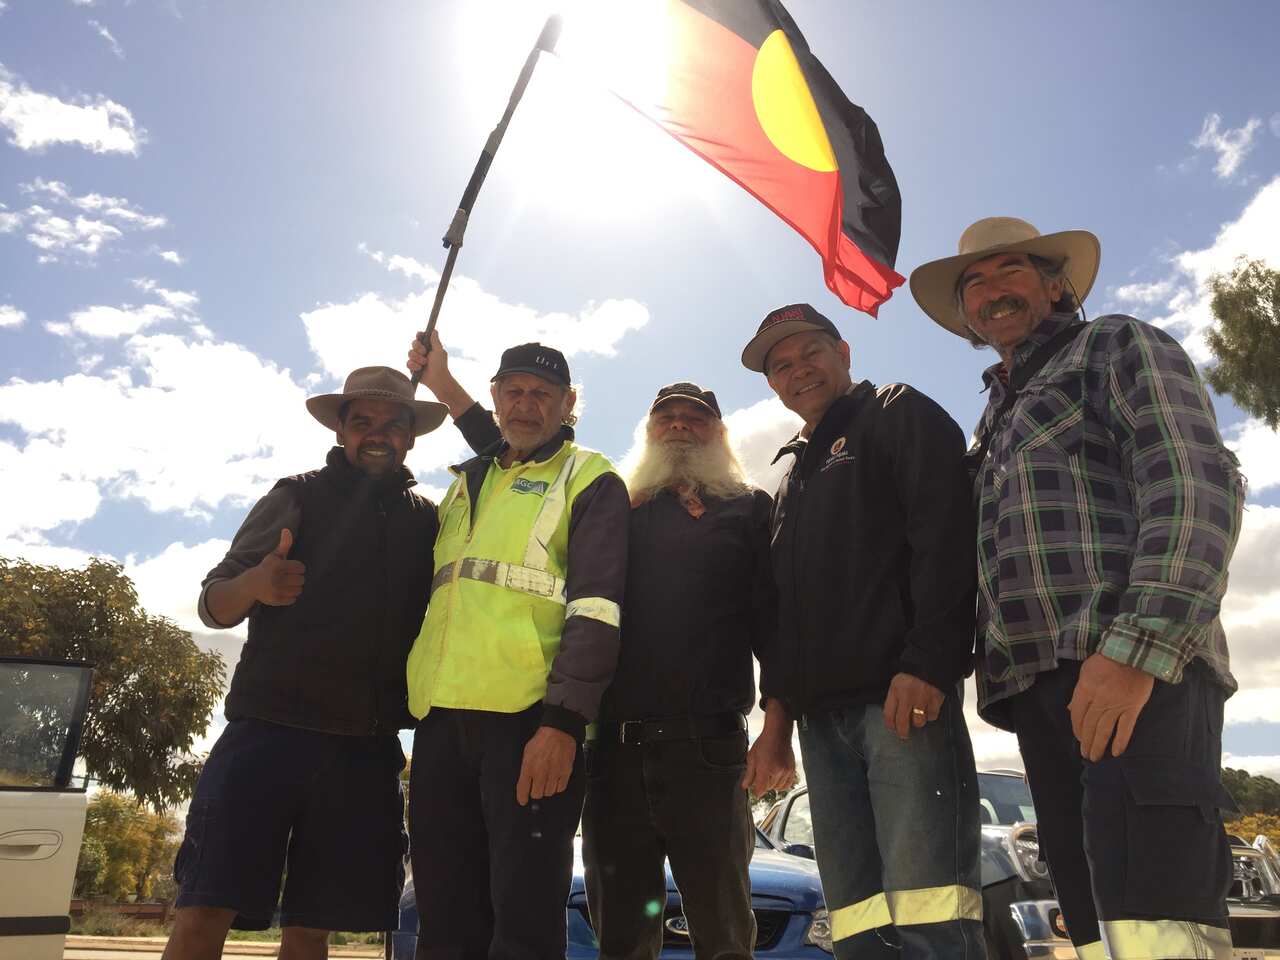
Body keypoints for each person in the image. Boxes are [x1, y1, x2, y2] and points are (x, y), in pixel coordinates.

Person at [910, 217, 1245, 960]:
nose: (991, 290)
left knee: (1159, 923)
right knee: (1095, 930)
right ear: (966, 315)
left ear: (1055, 283)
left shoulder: (1115, 345)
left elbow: (1193, 483)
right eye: (974, 283)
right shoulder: (994, 415)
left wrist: (1137, 651)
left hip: (1134, 672)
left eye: (1009, 271)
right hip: (1038, 691)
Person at [411, 330, 792, 960]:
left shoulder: (749, 510)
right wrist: (445, 386)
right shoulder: (617, 498)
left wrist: (777, 728)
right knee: (620, 930)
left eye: (695, 419)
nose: (678, 427)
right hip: (611, 749)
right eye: (665, 417)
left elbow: (776, 624)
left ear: (720, 435)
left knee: (724, 926)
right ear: (647, 433)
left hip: (708, 747)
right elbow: (514, 451)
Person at [164, 367, 448, 960]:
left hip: (365, 750)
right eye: (362, 422)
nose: (377, 435)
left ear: (411, 438)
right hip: (266, 735)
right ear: (341, 429)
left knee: (313, 931)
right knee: (202, 913)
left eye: (392, 424)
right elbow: (213, 604)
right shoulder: (295, 494)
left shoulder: (430, 520)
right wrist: (255, 584)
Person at [740, 304, 985, 960]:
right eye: (781, 366)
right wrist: (777, 723)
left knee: (931, 905)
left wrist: (930, 661)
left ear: (843, 350)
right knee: (856, 919)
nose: (798, 371)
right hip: (824, 728)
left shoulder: (897, 412)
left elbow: (946, 536)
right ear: (772, 386)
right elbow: (785, 616)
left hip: (900, 705)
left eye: (810, 353)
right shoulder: (792, 474)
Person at [404, 335, 630, 960]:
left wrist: (562, 723)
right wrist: (444, 382)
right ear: (498, 399)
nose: (527, 406)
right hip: (441, 723)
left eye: (544, 395)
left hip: (531, 727)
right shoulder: (472, 478)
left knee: (524, 925)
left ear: (568, 405)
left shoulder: (590, 477)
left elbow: (597, 608)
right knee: (445, 921)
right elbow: (495, 444)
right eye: (515, 393)